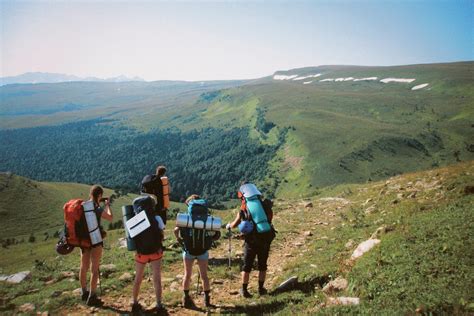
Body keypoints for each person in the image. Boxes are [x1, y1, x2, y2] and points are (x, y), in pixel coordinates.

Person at [226, 183, 275, 298]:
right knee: (263, 265)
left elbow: (234, 224)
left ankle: (244, 290)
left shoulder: (244, 209)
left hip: (251, 242)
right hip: (265, 239)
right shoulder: (265, 206)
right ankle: (261, 289)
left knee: (247, 266)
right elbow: (270, 220)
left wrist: (228, 225)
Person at [174, 195, 221, 308]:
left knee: (187, 275)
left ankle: (185, 299)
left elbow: (176, 230)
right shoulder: (206, 218)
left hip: (188, 250)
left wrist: (179, 239)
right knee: (204, 276)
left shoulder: (186, 219)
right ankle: (207, 300)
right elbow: (217, 234)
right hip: (203, 251)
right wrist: (210, 239)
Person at [130, 194, 165, 313]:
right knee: (157, 278)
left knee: (138, 278)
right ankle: (159, 304)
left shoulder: (136, 220)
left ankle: (134, 302)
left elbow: (133, 238)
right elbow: (161, 235)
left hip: (141, 254)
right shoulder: (157, 218)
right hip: (156, 252)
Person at [80, 185, 113, 306]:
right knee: (94, 269)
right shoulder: (97, 208)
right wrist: (108, 205)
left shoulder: (83, 206)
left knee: (83, 267)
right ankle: (92, 296)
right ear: (99, 195)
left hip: (84, 241)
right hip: (95, 240)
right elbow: (110, 218)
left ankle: (84, 292)